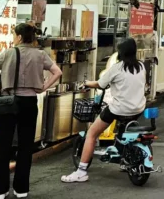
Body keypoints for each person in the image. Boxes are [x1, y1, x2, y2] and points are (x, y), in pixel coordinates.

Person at [0, 23, 62, 199]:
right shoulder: (40, 55)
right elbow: (57, 72)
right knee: (25, 146)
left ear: (19, 37)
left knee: (3, 146)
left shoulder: (8, 53)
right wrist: (43, 87)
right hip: (29, 102)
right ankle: (21, 189)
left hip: (8, 102)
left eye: (14, 35)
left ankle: (0, 191)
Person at [63, 38, 147, 183]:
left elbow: (100, 84)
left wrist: (86, 83)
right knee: (123, 131)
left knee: (92, 134)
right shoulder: (141, 66)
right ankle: (125, 158)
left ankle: (81, 171)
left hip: (119, 109)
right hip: (138, 108)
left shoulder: (117, 68)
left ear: (120, 52)